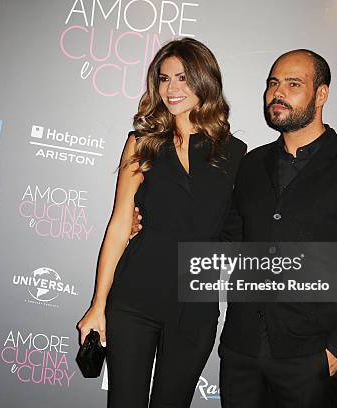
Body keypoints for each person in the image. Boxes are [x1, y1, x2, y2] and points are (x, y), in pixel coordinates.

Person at [216, 49, 337, 408]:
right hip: (241, 350)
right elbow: (230, 241)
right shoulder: (251, 165)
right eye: (273, 84)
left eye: (293, 84)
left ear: (322, 94)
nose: (277, 93)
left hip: (310, 358)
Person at [76, 37, 246, 407]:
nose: (171, 88)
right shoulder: (142, 143)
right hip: (134, 296)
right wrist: (98, 304)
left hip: (195, 305)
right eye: (164, 79)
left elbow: (235, 232)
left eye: (183, 78)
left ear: (204, 81)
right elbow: (120, 223)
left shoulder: (235, 153)